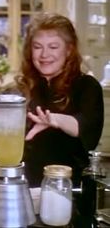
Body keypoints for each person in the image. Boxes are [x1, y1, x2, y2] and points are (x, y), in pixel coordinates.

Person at [15, 12, 104, 188]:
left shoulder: (87, 86)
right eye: (37, 47)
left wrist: (55, 120)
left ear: (69, 50)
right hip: (25, 185)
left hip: (71, 187)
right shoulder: (21, 87)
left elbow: (85, 127)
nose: (44, 54)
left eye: (53, 47)